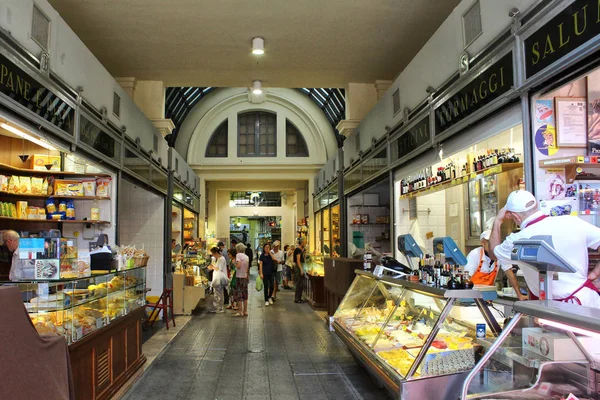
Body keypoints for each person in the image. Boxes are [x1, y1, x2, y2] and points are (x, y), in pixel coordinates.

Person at [490, 190, 600, 307]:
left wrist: (497, 221)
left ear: (515, 216)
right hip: (588, 301)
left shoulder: (517, 239)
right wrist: (595, 273)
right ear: (536, 205)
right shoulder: (572, 222)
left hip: (559, 308)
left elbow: (493, 254)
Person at [208, 246, 227, 313]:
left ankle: (220, 308)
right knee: (216, 293)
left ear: (216, 253)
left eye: (213, 253)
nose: (212, 255)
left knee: (219, 293)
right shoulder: (216, 259)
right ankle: (216, 307)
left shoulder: (222, 259)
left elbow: (219, 269)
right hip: (216, 277)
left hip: (220, 277)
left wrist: (212, 267)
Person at [233, 243, 249, 317]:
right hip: (245, 276)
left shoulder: (238, 255)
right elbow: (247, 268)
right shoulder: (246, 257)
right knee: (245, 294)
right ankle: (245, 311)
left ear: (238, 249)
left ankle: (240, 311)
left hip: (239, 276)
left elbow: (238, 266)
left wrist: (234, 263)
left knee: (239, 294)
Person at [293, 237, 306, 303]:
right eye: (304, 242)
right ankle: (297, 298)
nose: (305, 244)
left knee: (300, 283)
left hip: (299, 267)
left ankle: (298, 298)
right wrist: (301, 269)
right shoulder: (298, 250)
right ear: (302, 243)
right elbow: (298, 260)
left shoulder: (299, 250)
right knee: (299, 283)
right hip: (298, 267)